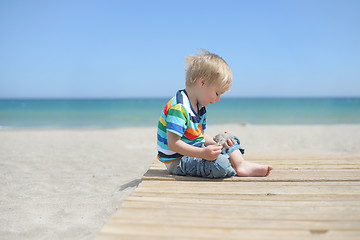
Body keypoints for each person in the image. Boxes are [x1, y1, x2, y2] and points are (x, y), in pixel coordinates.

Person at [157, 49, 273, 178]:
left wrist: (216, 144)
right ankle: (230, 164)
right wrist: (203, 154)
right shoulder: (179, 107)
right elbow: (173, 144)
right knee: (221, 164)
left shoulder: (199, 106)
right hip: (179, 161)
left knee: (228, 137)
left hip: (196, 152)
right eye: (217, 93)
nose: (218, 99)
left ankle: (240, 164)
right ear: (202, 82)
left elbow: (200, 135)